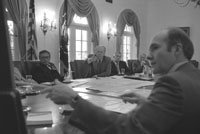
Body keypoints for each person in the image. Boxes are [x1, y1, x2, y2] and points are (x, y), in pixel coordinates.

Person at [42, 27, 200, 134]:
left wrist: (73, 98)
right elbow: (182, 112)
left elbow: (126, 128)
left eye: (155, 48)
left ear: (177, 49)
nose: (149, 55)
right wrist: (149, 105)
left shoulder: (172, 83)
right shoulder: (193, 75)